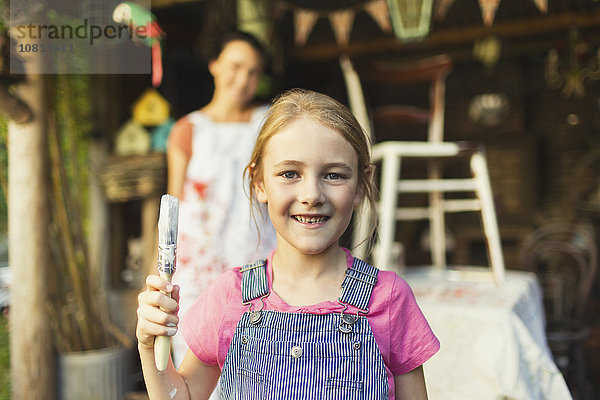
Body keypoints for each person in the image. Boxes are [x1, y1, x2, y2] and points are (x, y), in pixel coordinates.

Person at [137, 89, 440, 399]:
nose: (311, 195)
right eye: (290, 173)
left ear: (362, 185)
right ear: (259, 184)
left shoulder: (388, 298)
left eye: (334, 175)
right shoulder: (231, 295)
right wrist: (148, 345)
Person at [166, 30, 276, 366]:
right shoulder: (188, 129)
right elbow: (172, 206)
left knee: (263, 363)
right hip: (198, 266)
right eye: (235, 65)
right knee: (198, 359)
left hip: (257, 257)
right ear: (214, 65)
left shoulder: (270, 123)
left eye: (253, 71)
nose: (243, 79)